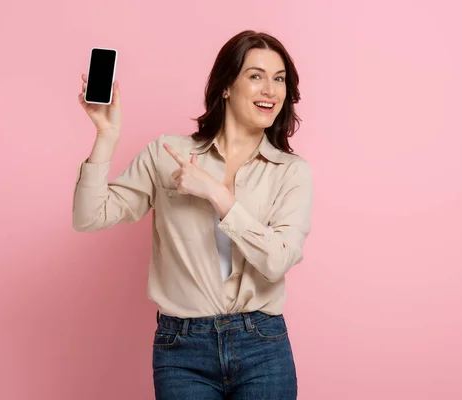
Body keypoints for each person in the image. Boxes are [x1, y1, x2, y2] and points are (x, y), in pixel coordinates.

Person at [73, 30, 313, 400]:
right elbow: (89, 217)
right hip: (182, 350)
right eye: (256, 75)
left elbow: (277, 261)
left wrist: (217, 195)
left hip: (262, 346)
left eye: (279, 79)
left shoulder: (291, 171)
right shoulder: (167, 154)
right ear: (226, 86)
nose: (271, 90)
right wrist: (106, 136)